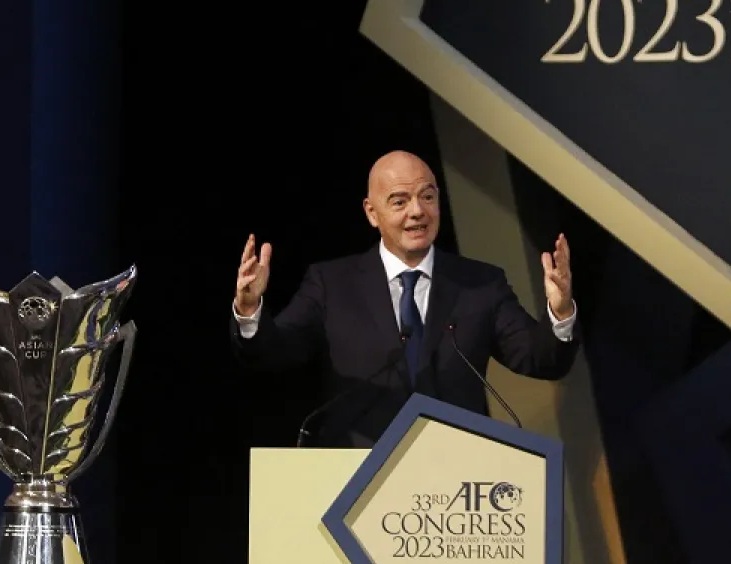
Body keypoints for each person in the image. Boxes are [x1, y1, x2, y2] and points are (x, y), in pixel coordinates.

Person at [231, 150, 579, 446]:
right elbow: (276, 351)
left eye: (427, 197)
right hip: (357, 473)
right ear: (372, 213)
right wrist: (249, 311)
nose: (417, 211)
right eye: (400, 201)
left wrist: (560, 312)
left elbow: (539, 359)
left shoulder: (480, 283)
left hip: (459, 475)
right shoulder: (331, 284)